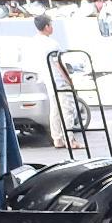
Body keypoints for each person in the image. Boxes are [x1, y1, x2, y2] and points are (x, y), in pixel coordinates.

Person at [32, 14, 75, 149]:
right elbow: (59, 64)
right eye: (51, 25)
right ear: (46, 27)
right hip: (58, 80)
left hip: (47, 79)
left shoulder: (34, 42)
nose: (52, 28)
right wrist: (69, 79)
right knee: (66, 109)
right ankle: (70, 140)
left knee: (55, 110)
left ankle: (57, 138)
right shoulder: (52, 44)